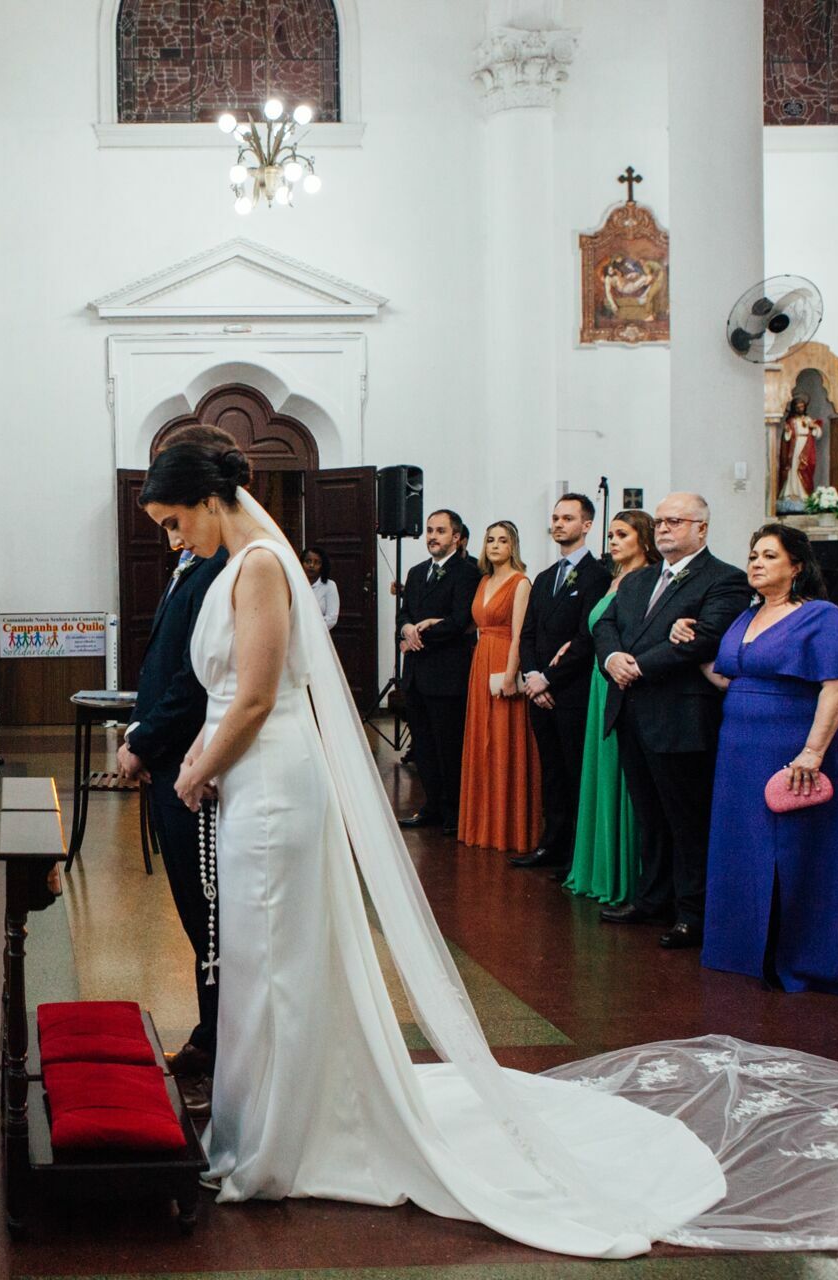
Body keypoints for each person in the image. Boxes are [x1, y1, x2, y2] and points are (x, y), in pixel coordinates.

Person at [136, 440, 724, 1256]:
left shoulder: (264, 564)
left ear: (207, 499)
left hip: (270, 781)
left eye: (173, 523)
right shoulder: (241, 563)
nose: (173, 540)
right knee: (255, 955)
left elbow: (260, 695)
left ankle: (278, 1141)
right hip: (248, 779)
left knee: (272, 957)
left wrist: (196, 768)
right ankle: (263, 1119)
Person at [695, 525, 838, 996]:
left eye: (769, 556)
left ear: (796, 566)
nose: (755, 563)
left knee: (798, 854)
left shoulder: (821, 616)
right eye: (753, 554)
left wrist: (813, 752)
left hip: (796, 751)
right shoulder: (747, 616)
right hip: (740, 752)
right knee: (745, 850)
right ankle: (744, 952)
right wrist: (687, 641)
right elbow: (728, 678)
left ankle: (805, 960)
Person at [117, 424, 232, 1111]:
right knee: (198, 916)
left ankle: (221, 1042)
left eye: (172, 520)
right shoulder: (195, 560)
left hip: (191, 764)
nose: (171, 537)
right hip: (169, 760)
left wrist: (145, 742)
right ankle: (211, 1033)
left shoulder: (223, 566)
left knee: (211, 915)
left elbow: (195, 679)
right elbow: (164, 663)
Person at [592, 493, 750, 950]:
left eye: (675, 521)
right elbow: (606, 624)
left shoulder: (724, 580)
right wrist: (614, 657)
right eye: (659, 522)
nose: (663, 529)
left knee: (686, 820)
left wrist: (637, 665)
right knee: (650, 816)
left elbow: (704, 640)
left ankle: (693, 912)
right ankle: (652, 898)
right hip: (631, 710)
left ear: (701, 527)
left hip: (680, 713)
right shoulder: (639, 580)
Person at [512, 495, 612, 873]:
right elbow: (528, 634)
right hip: (539, 691)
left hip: (570, 692)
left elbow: (587, 637)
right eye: (555, 518)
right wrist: (532, 675)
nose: (558, 524)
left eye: (567, 518)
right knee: (550, 772)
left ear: (586, 525)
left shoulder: (597, 575)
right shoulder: (544, 577)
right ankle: (550, 843)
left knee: (573, 773)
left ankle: (574, 853)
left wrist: (549, 679)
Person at [564, 511, 655, 904]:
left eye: (623, 535)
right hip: (599, 681)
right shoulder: (612, 579)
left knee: (624, 775)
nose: (613, 541)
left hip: (624, 680)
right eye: (612, 534)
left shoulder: (649, 579)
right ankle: (597, 866)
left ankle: (627, 875)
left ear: (644, 540)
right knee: (599, 772)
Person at [457, 522, 539, 853]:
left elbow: (520, 632)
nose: (495, 545)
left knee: (506, 740)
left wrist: (510, 673)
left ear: (513, 547)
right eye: (490, 539)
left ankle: (510, 827)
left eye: (502, 540)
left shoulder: (521, 583)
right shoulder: (484, 581)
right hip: (481, 660)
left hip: (505, 659)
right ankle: (482, 823)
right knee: (482, 741)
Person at [396, 510, 478, 835]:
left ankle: (454, 812)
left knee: (448, 748)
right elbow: (404, 612)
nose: (433, 536)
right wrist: (405, 628)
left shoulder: (466, 573)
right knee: (424, 749)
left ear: (456, 538)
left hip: (446, 675)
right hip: (416, 673)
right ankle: (430, 805)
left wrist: (420, 635)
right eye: (430, 530)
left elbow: (459, 622)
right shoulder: (416, 573)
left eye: (441, 531)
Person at [302, 545, 340, 630]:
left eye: (317, 562)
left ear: (323, 566)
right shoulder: (295, 584)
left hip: (319, 634)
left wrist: (311, 629)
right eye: (308, 561)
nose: (311, 565)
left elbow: (332, 618)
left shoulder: (329, 586)